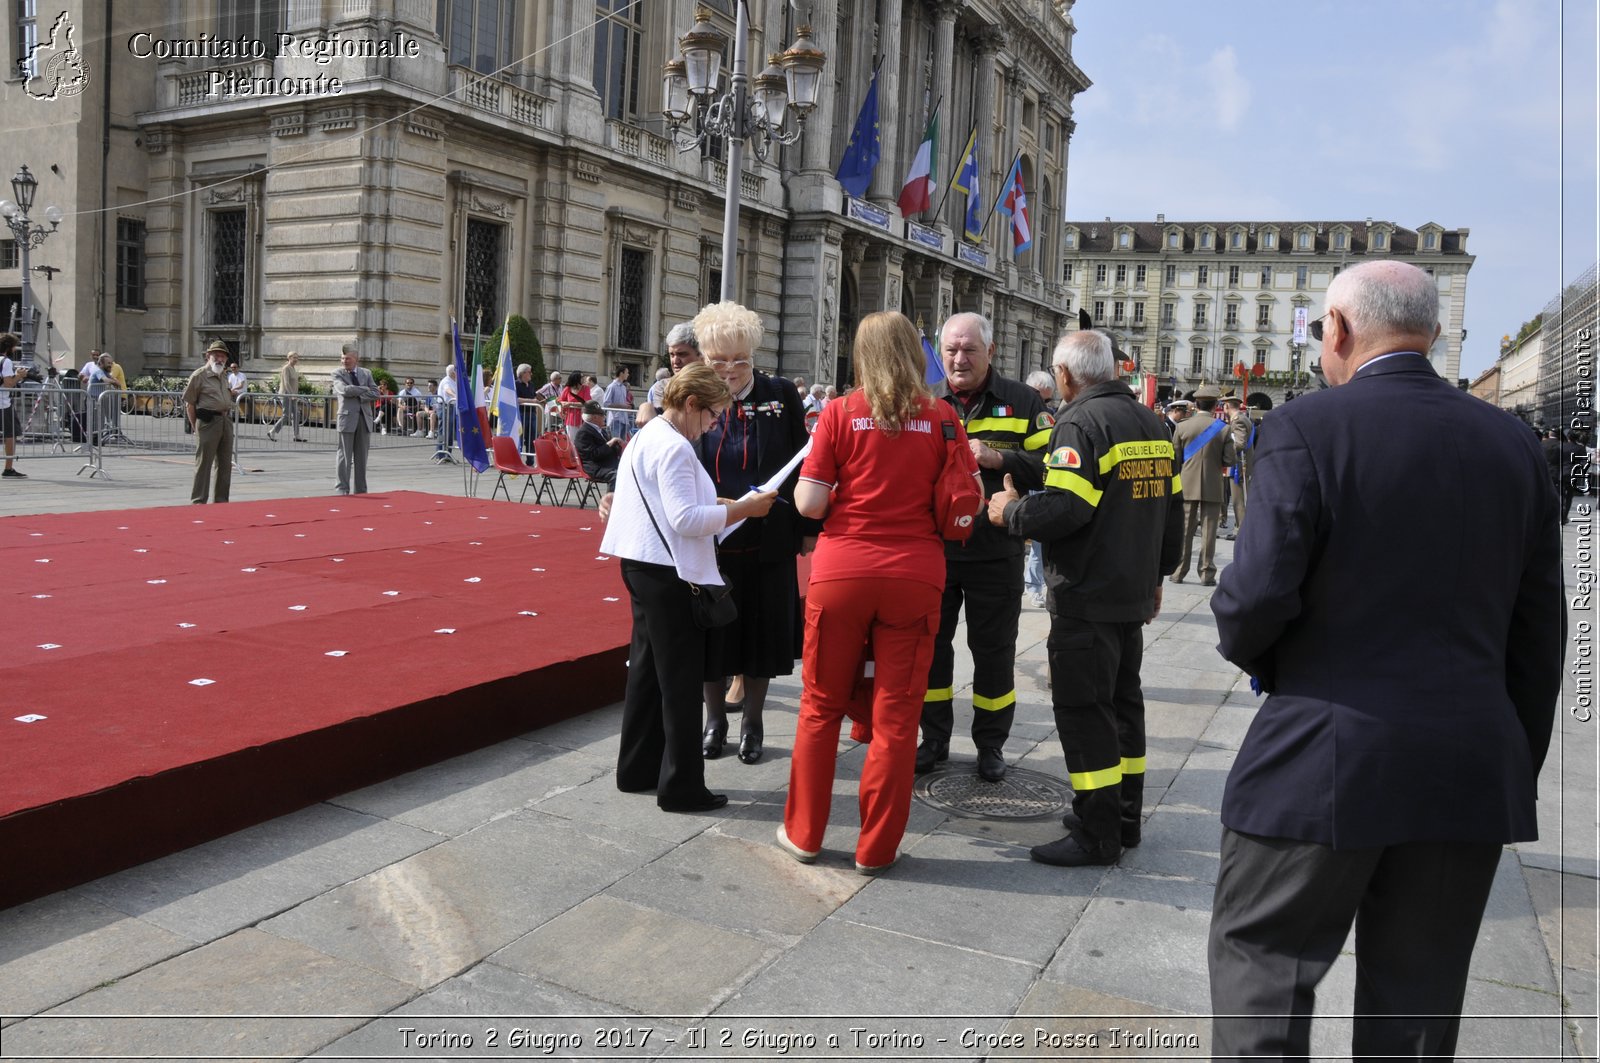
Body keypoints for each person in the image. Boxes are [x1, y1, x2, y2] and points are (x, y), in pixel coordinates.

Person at [1206, 261, 1564, 1059]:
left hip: (1322, 752)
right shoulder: (1513, 443)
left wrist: (1273, 664)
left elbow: (1254, 599)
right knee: (1415, 1012)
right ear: (1433, 334)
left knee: (1262, 966)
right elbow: (1540, 636)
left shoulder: (1306, 427)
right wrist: (1502, 754)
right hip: (1466, 767)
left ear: (1337, 330)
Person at [780, 311, 978, 874]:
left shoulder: (840, 413)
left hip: (842, 571)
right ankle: (877, 848)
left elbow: (810, 505)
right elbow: (961, 497)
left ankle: (806, 834)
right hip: (916, 576)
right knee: (897, 718)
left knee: (819, 708)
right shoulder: (943, 418)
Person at [989, 330, 1183, 865]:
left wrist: (1011, 513)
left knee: (1084, 711)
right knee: (1124, 708)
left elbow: (1067, 508)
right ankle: (1123, 819)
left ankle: (1096, 834)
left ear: (1068, 376)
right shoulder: (1151, 421)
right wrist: (1159, 575)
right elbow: (1173, 512)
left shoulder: (1080, 421)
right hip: (1131, 594)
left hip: (1087, 593)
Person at [600, 362, 777, 812]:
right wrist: (744, 511)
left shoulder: (647, 435)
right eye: (713, 415)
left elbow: (665, 506)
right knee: (679, 683)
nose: (714, 425)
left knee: (645, 674)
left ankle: (637, 768)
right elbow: (683, 519)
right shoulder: (676, 447)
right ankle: (681, 787)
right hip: (669, 573)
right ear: (692, 404)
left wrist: (723, 505)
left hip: (641, 564)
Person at [916, 311, 1050, 782]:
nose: (958, 358)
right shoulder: (925, 400)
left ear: (990, 352)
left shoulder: (1022, 400)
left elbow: (1052, 465)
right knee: (931, 650)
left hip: (997, 550)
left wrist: (998, 456)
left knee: (994, 653)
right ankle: (933, 740)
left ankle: (990, 745)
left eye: (969, 349)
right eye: (950, 349)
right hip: (936, 552)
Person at [692, 300, 817, 766]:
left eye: (739, 360)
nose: (729, 371)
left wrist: (808, 528)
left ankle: (753, 722)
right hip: (711, 534)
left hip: (769, 536)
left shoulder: (780, 393)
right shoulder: (693, 393)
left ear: (753, 356)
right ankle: (714, 720)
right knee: (712, 631)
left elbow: (805, 461)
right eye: (718, 361)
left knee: (762, 632)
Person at [1169, 384, 1234, 586]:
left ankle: (1179, 571)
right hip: (1213, 484)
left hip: (1186, 484)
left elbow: (1175, 458)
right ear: (1215, 406)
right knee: (1209, 531)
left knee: (1185, 530)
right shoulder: (1223, 429)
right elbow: (1229, 460)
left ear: (1196, 405)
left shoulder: (1182, 426)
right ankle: (1206, 574)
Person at [183, 340, 236, 503]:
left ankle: (221, 501)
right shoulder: (199, 375)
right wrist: (195, 427)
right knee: (204, 464)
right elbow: (189, 404)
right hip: (207, 421)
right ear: (208, 356)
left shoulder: (223, 375)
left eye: (223, 356)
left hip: (225, 420)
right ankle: (199, 501)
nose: (220, 359)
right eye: (216, 355)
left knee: (225, 464)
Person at [333, 342, 380, 494]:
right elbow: (344, 390)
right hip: (346, 418)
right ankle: (342, 488)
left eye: (347, 359)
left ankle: (360, 489)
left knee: (361, 458)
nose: (344, 361)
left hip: (364, 419)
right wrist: (364, 389)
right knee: (344, 455)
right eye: (342, 358)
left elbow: (375, 393)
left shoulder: (366, 373)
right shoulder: (337, 373)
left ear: (356, 359)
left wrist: (358, 393)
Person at [639, 323, 699, 426]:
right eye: (672, 355)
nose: (675, 361)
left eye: (682, 354)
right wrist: (646, 407)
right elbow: (664, 418)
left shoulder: (713, 386)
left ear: (699, 355)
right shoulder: (662, 386)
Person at [1219, 395, 1253, 539]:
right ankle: (1240, 528)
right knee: (1238, 500)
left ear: (1227, 406)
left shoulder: (1238, 421)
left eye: (1223, 406)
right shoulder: (1241, 418)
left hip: (1239, 464)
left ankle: (1241, 531)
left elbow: (1239, 444)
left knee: (1238, 500)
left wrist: (1224, 449)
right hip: (1241, 463)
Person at [574, 399, 623, 486]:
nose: (604, 417)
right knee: (617, 476)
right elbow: (593, 455)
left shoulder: (601, 430)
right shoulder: (583, 432)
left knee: (632, 471)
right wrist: (609, 443)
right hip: (596, 467)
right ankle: (611, 499)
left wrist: (618, 445)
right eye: (602, 415)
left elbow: (611, 450)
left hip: (608, 463)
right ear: (594, 417)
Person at [1, 333, 26, 479]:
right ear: (8, 347)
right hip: (3, 404)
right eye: (14, 346)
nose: (15, 349)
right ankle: (8, 468)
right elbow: (9, 384)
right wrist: (19, 375)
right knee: (10, 434)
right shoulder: (6, 361)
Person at [267, 352, 304, 442]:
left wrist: (295, 395)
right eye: (294, 358)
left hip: (293, 395)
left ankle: (297, 435)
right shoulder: (286, 368)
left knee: (297, 414)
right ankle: (272, 431)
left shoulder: (293, 368)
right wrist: (291, 394)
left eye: (297, 358)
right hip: (286, 394)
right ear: (289, 358)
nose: (296, 359)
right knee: (286, 416)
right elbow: (286, 383)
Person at [602, 365, 633, 440]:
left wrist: (626, 406)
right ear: (621, 373)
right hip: (615, 419)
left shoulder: (623, 387)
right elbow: (606, 404)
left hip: (624, 419)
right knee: (615, 442)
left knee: (623, 443)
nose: (628, 374)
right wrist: (622, 406)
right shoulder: (611, 387)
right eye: (626, 372)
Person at [557, 370, 588, 444]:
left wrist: (570, 403)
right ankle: (574, 455)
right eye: (582, 377)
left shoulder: (586, 388)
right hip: (571, 419)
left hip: (584, 419)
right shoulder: (567, 389)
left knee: (583, 441)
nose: (584, 378)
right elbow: (559, 401)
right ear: (576, 379)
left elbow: (586, 402)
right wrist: (564, 405)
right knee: (572, 441)